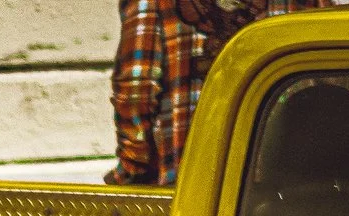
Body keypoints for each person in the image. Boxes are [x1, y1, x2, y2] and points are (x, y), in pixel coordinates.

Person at [111, 0, 335, 186]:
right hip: (288, 188)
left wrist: (134, 169)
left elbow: (136, 93)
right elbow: (333, 84)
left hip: (191, 189)